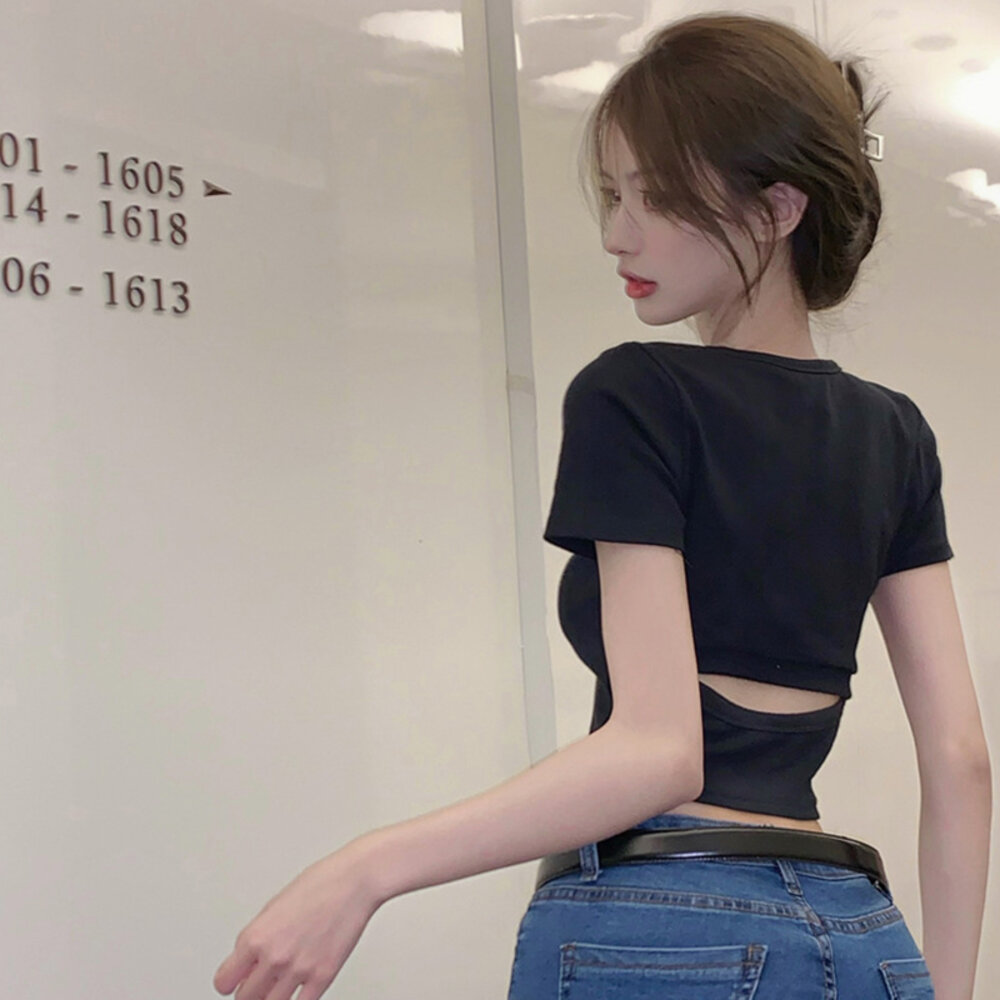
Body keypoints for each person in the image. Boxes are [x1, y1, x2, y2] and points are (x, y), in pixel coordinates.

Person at [212, 13, 991, 1000]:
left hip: (662, 925)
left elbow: (660, 752)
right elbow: (961, 761)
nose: (617, 232)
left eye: (656, 196)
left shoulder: (638, 393)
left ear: (778, 208)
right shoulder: (895, 433)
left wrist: (363, 868)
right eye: (613, 193)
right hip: (863, 931)